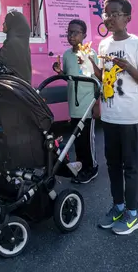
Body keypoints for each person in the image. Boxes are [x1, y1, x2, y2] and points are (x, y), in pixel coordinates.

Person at [87, 0, 138, 235]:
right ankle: (118, 206)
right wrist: (92, 65)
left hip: (130, 116)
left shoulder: (137, 44)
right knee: (112, 165)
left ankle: (134, 214)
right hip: (110, 116)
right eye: (106, 13)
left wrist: (128, 67)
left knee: (130, 166)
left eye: (115, 13)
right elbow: (103, 78)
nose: (109, 18)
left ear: (127, 18)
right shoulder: (103, 45)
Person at [52, 19, 99, 184]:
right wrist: (61, 72)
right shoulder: (66, 55)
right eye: (69, 32)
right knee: (76, 139)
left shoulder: (91, 54)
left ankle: (92, 168)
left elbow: (98, 81)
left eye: (76, 32)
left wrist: (97, 106)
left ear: (84, 35)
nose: (71, 35)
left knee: (87, 140)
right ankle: (81, 166)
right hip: (73, 106)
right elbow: (69, 78)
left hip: (87, 106)